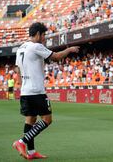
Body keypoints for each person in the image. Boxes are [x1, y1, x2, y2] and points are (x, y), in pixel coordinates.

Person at [12, 22, 79, 159]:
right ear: (37, 34)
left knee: (30, 120)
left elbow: (17, 69)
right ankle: (21, 142)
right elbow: (55, 57)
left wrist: (23, 81)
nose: (44, 38)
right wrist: (69, 50)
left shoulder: (21, 48)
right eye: (43, 35)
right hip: (37, 91)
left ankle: (31, 152)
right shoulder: (36, 46)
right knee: (47, 119)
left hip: (25, 91)